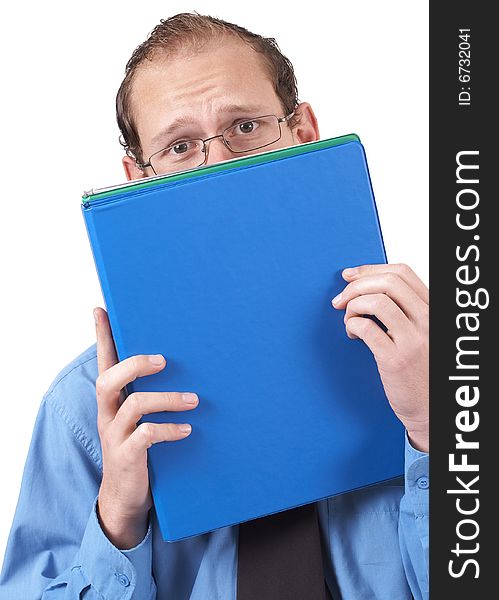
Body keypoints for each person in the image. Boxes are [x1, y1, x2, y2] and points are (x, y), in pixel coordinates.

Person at [0, 12, 429, 600]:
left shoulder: (441, 357)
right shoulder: (83, 411)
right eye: (180, 147)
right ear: (137, 179)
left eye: (247, 125)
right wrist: (117, 522)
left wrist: (440, 429)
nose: (221, 163)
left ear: (304, 132)